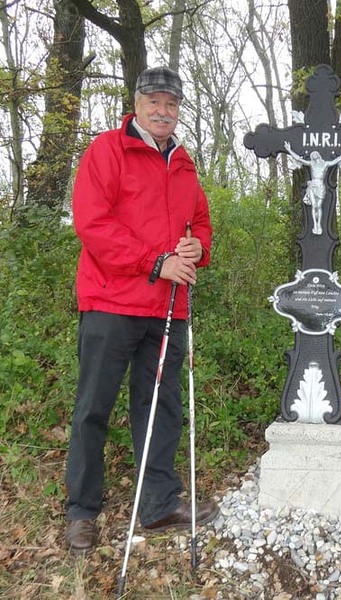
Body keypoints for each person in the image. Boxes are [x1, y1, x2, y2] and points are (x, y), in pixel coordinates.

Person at [64, 66, 218, 554]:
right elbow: (92, 224)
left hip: (168, 307)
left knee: (160, 408)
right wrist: (157, 262)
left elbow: (200, 223)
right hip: (111, 301)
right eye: (154, 101)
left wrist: (196, 251)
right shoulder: (107, 150)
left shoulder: (185, 163)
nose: (162, 110)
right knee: (94, 406)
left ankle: (158, 505)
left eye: (171, 104)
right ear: (137, 103)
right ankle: (82, 511)